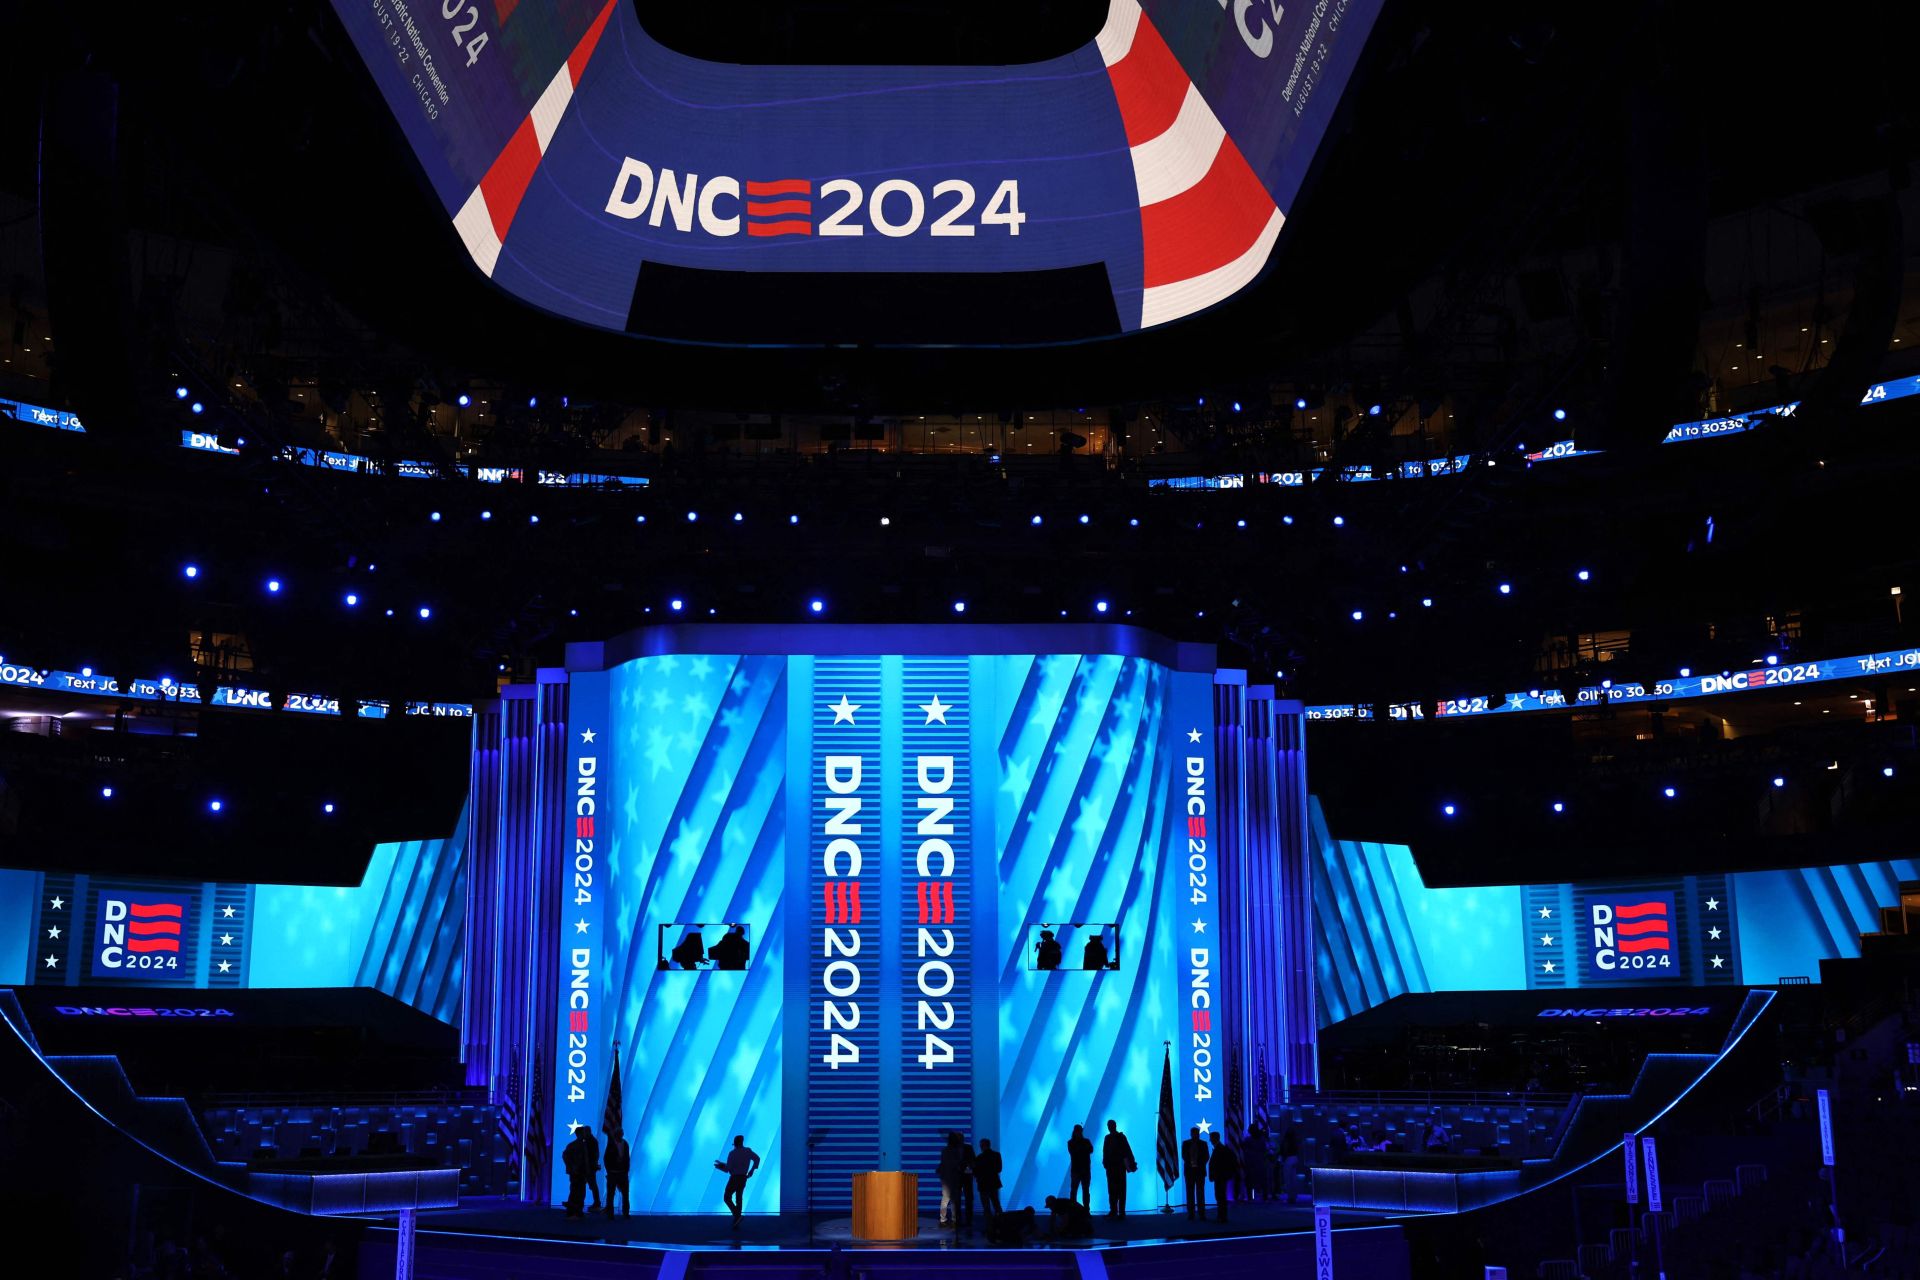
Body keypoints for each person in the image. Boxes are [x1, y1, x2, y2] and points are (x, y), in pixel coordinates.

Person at [714, 1133, 760, 1226]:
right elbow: (757, 1159)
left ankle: (737, 1216)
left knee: (727, 1197)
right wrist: (752, 1170)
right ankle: (737, 1219)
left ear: (735, 1143)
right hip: (743, 1177)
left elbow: (728, 1169)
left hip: (734, 1178)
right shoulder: (747, 1151)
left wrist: (719, 1166)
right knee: (739, 1198)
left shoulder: (732, 1153)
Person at [936, 1131, 973, 1228]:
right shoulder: (954, 1150)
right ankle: (952, 1220)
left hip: (951, 1177)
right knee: (951, 1200)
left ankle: (948, 1220)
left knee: (948, 1199)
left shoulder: (947, 1150)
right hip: (954, 1177)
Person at [1101, 1119, 1136, 1217]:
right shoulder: (1115, 1137)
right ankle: (1117, 1211)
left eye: (1110, 1125)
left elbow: (1127, 1150)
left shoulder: (1116, 1137)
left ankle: (1117, 1211)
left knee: (1116, 1190)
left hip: (1116, 1168)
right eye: (1110, 1125)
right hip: (1115, 1168)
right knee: (1117, 1190)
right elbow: (1127, 1151)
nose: (1110, 1127)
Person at [562, 1125, 595, 1218]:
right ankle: (572, 1211)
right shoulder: (574, 1145)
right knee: (575, 1192)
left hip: (582, 1172)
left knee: (580, 1192)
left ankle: (577, 1211)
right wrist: (572, 1167)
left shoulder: (583, 1145)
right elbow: (565, 1156)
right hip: (576, 1173)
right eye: (583, 1132)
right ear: (580, 1134)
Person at [1208, 1131, 1240, 1223]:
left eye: (1211, 1138)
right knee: (1220, 1196)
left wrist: (1227, 1173)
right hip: (1220, 1177)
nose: (1210, 1140)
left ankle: (1222, 1216)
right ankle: (1221, 1215)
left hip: (1220, 1177)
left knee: (1220, 1196)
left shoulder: (1222, 1149)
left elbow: (1232, 1161)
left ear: (1215, 1138)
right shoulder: (1222, 1148)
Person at [1181, 1125, 1210, 1219]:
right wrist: (1191, 1163)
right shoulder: (1186, 1143)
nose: (1195, 1135)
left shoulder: (1203, 1144)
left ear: (1198, 1134)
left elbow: (1206, 1157)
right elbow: (1184, 1156)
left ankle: (1202, 1214)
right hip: (1189, 1171)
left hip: (1200, 1171)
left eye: (1196, 1133)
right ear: (1191, 1134)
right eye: (1193, 1133)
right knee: (1190, 1193)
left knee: (1200, 1193)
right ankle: (1191, 1214)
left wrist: (1198, 1163)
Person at [603, 1126, 631, 1217]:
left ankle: (625, 1213)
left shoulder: (625, 1144)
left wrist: (626, 1170)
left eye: (620, 1134)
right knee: (611, 1194)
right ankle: (610, 1213)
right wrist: (609, 1171)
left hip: (623, 1173)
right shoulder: (611, 1144)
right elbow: (606, 1158)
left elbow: (627, 1158)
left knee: (625, 1194)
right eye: (618, 1134)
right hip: (613, 1173)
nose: (620, 1135)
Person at [974, 1138, 1004, 1219]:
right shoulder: (997, 1155)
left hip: (983, 1184)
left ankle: (989, 1226)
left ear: (982, 1146)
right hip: (994, 1183)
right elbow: (999, 1169)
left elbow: (975, 1171)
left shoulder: (979, 1158)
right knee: (996, 1204)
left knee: (986, 1207)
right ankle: (1001, 1224)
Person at [1067, 1123, 1094, 1209]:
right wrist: (1083, 1148)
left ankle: (1085, 1209)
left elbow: (1090, 1150)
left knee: (1083, 1190)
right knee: (1076, 1190)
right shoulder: (1072, 1143)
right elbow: (1075, 1152)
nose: (1079, 1133)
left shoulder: (1074, 1142)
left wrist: (1081, 1148)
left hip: (1082, 1170)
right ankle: (1074, 1210)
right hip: (1078, 1170)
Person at [1241, 1123, 1269, 1203]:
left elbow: (1243, 1146)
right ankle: (1263, 1197)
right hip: (1256, 1162)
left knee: (1254, 1180)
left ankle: (1253, 1197)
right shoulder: (1257, 1139)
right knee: (1254, 1180)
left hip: (1254, 1163)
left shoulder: (1250, 1140)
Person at [1279, 1127, 1302, 1205]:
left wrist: (1282, 1160)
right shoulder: (1295, 1141)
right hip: (1295, 1158)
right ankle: (1294, 1196)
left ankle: (1290, 1197)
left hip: (1288, 1159)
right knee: (1293, 1178)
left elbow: (1283, 1151)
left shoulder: (1286, 1141)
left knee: (1288, 1179)